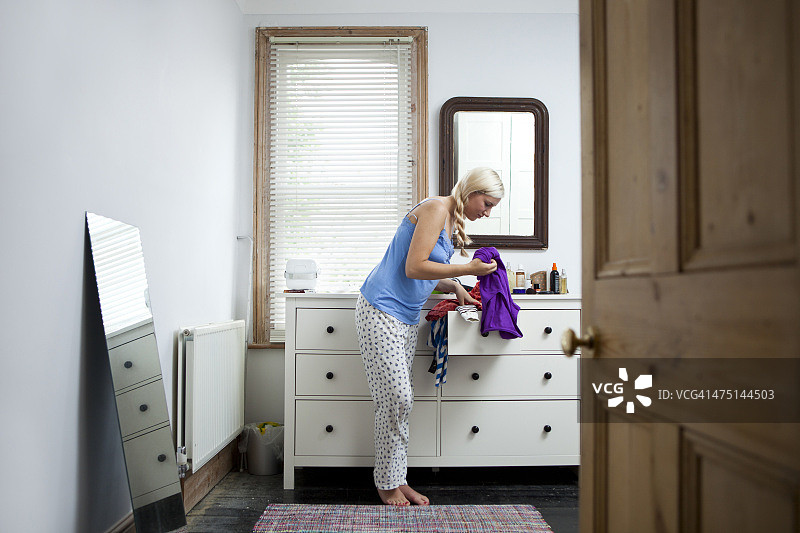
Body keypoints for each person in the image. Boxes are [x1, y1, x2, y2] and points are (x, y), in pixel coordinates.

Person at [355, 167, 505, 506]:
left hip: (405, 317)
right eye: (487, 202)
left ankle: (397, 478)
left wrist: (452, 285)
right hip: (380, 310)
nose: (487, 211)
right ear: (471, 192)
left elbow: (424, 272)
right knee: (396, 398)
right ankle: (386, 482)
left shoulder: (450, 221)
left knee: (400, 403)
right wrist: (466, 271)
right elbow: (413, 266)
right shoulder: (437, 208)